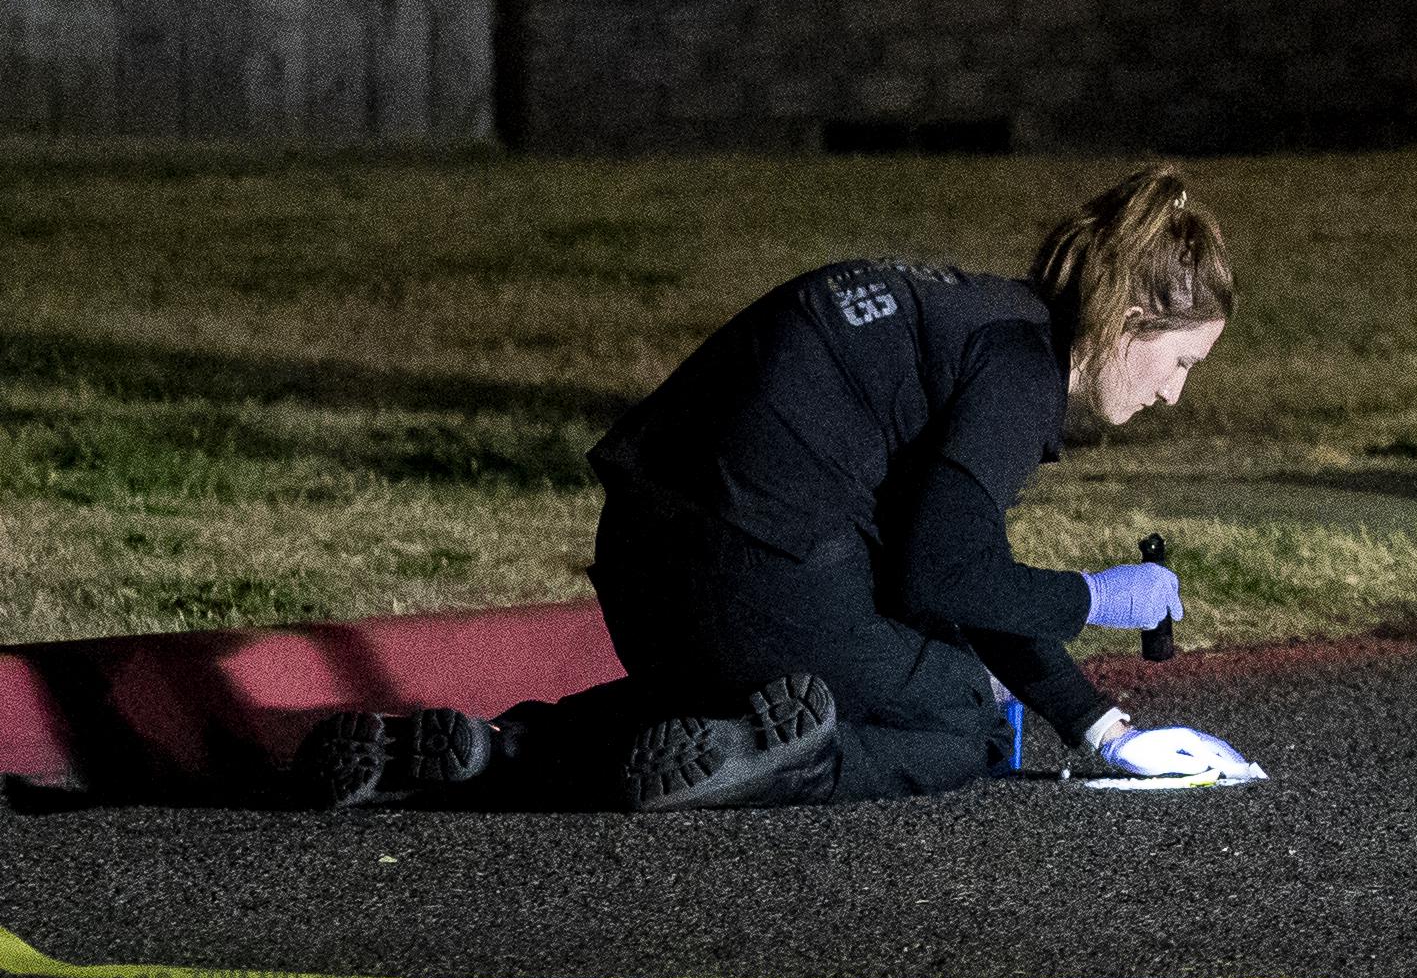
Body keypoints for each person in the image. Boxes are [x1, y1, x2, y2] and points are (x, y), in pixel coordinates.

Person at [288, 163, 1268, 813]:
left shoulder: (966, 319)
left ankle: (489, 751)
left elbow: (950, 569)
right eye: (1179, 361)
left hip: (646, 558)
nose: (1175, 394)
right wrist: (1099, 598)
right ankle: (788, 760)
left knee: (723, 700)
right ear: (1131, 318)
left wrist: (1097, 722)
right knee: (962, 716)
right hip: (761, 566)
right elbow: (941, 578)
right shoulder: (1015, 366)